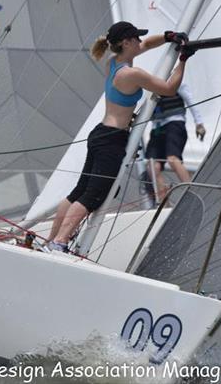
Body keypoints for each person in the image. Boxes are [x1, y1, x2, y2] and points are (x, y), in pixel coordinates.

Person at [46, 21, 194, 252]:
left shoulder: (114, 62)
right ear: (126, 42)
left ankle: (50, 240)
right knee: (92, 195)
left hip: (101, 134)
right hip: (111, 140)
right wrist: (183, 60)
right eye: (136, 38)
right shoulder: (131, 73)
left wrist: (168, 37)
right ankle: (59, 242)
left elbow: (147, 43)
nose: (140, 41)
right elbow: (168, 89)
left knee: (78, 191)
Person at [145, 83, 206, 201]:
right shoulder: (149, 83)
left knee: (172, 158)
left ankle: (192, 193)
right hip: (157, 128)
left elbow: (190, 100)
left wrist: (199, 123)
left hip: (175, 123)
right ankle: (162, 203)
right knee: (152, 166)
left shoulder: (176, 82)